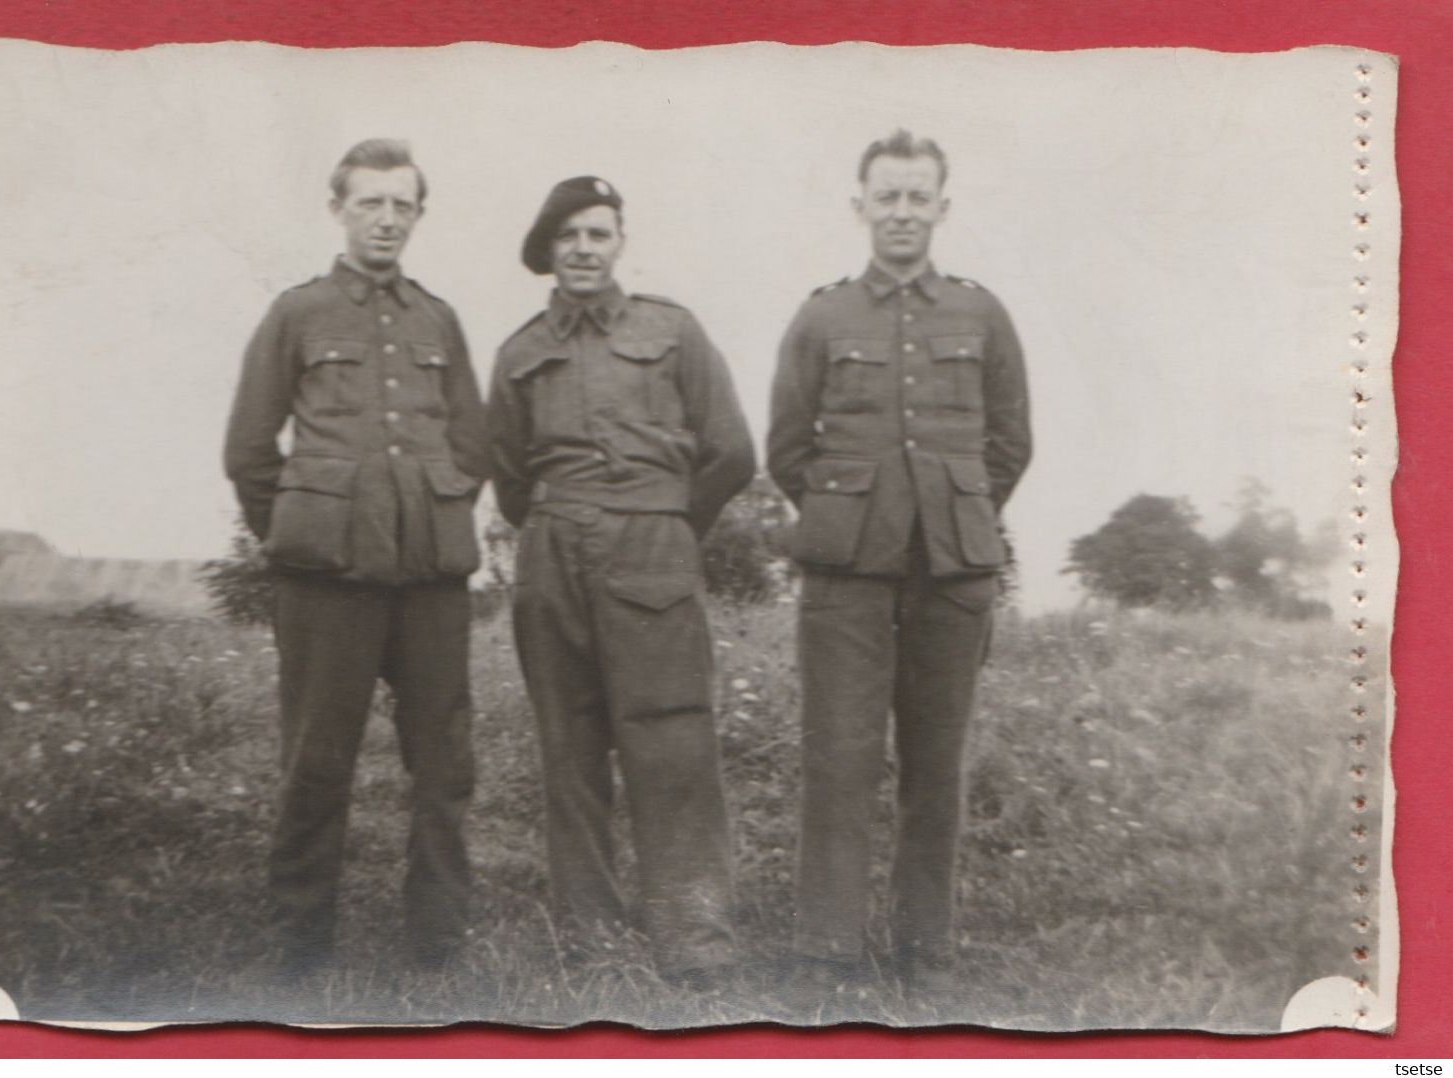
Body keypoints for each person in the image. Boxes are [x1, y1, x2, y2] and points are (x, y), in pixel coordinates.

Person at [767, 130, 1032, 980]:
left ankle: (924, 947)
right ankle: (825, 948)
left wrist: (953, 517)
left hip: (952, 575)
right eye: (887, 196)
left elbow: (1009, 445)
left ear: (941, 208)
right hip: (844, 576)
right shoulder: (821, 316)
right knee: (837, 757)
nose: (903, 212)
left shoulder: (981, 314)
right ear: (860, 207)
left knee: (935, 762)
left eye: (918, 197)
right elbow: (786, 449)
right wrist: (852, 522)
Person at [223, 139, 487, 972]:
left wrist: (433, 515)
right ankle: (296, 951)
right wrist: (302, 529)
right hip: (324, 583)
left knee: (444, 767)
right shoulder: (296, 314)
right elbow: (249, 449)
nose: (385, 218)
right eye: (369, 202)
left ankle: (438, 944)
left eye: (400, 204)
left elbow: (471, 440)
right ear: (338, 208)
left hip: (430, 583)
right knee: (315, 766)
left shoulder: (437, 318)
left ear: (417, 215)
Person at [487, 176, 755, 985]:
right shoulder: (520, 351)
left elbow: (732, 451)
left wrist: (669, 527)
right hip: (552, 554)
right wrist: (560, 528)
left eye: (598, 234)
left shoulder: (671, 330)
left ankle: (691, 933)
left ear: (619, 244)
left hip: (653, 546)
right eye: (568, 236)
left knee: (672, 741)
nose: (583, 249)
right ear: (547, 251)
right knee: (568, 748)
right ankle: (590, 935)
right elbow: (504, 472)